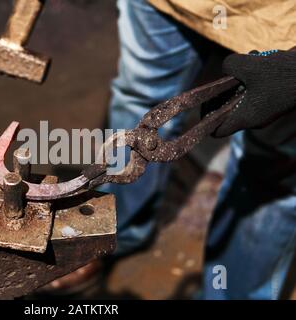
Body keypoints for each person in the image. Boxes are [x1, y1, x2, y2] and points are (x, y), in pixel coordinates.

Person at [43, 0, 296, 299]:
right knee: (140, 100)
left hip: (283, 28)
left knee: (270, 173)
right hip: (169, 5)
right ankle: (110, 235)